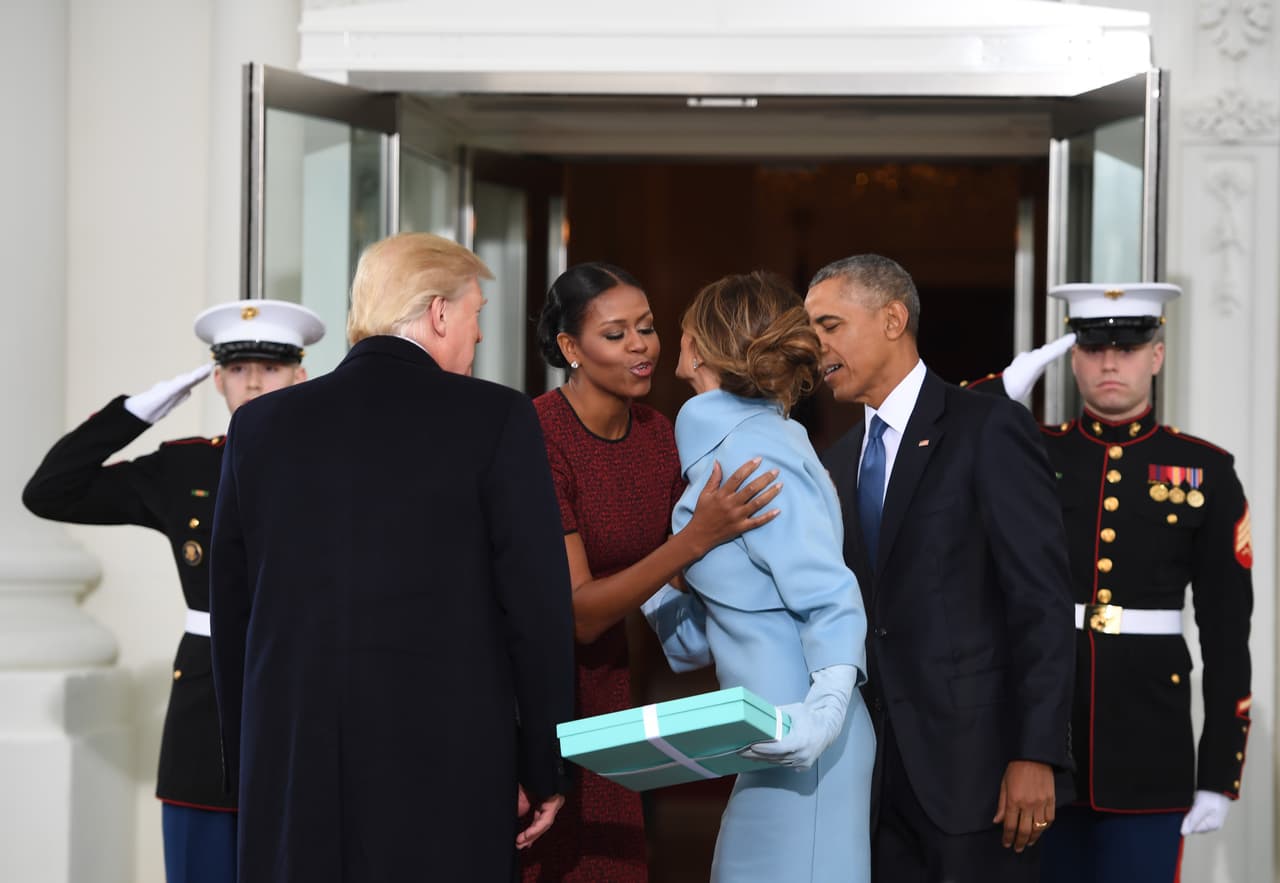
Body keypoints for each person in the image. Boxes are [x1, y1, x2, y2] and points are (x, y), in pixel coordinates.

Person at [208, 232, 576, 882]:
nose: (478, 335)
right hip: (447, 764)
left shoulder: (259, 427)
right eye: (476, 313)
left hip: (296, 763)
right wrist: (544, 762)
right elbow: (537, 607)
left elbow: (233, 613)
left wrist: (253, 771)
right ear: (437, 312)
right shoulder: (497, 417)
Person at [22, 298, 324, 883]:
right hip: (204, 703)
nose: (255, 381)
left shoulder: (332, 464)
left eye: (272, 367)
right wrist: (142, 409)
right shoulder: (182, 470)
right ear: (216, 379)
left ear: (300, 375)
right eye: (238, 369)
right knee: (201, 864)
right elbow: (50, 492)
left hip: (301, 689)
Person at [967, 282, 1254, 883]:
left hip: (1150, 749)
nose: (1110, 362)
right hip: (1039, 744)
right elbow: (940, 440)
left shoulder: (1207, 470)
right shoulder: (1028, 449)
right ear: (1072, 359)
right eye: (1094, 349)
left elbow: (1227, 636)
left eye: (1128, 348)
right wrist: (1004, 390)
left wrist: (1218, 775)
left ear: (1157, 355)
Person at [804, 254, 1076, 882]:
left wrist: (1036, 755)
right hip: (868, 783)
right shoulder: (835, 460)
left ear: (893, 318)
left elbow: (1039, 603)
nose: (814, 347)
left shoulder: (988, 427)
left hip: (979, 778)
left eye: (829, 325)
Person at [524, 262, 782, 881]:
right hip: (537, 696)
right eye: (616, 334)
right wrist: (695, 539)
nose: (641, 346)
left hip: (614, 690)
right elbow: (580, 614)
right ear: (570, 349)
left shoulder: (659, 432)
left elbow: (680, 575)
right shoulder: (538, 434)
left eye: (647, 327)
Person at [642, 271, 874, 882]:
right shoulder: (724, 446)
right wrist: (666, 565)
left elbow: (829, 596)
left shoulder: (754, 451)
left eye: (684, 324)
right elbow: (692, 643)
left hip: (808, 743)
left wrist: (821, 718)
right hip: (765, 739)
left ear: (701, 345)